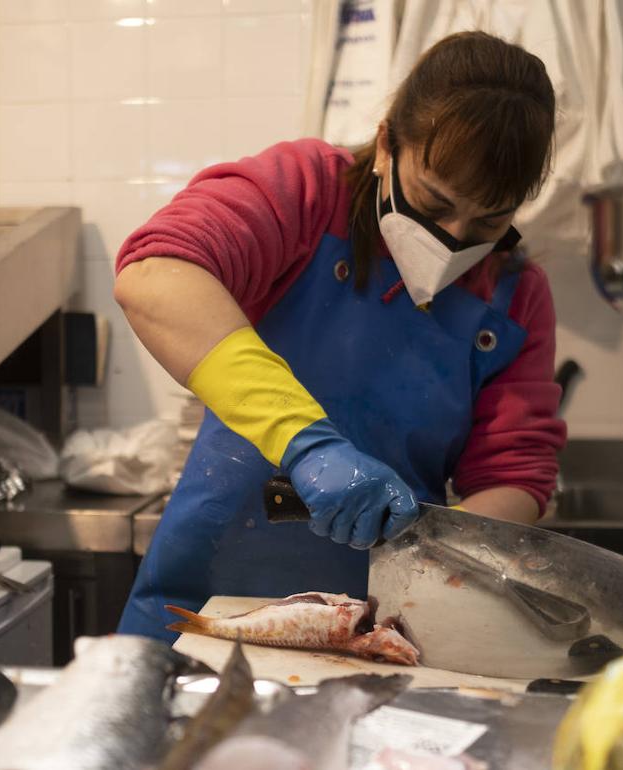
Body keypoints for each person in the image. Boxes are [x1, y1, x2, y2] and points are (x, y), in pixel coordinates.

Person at [114, 31, 565, 640]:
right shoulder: (304, 194)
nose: (455, 238)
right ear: (386, 144)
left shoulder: (515, 297)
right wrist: (307, 446)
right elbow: (154, 278)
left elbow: (515, 475)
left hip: (384, 630)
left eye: (489, 220)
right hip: (201, 612)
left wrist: (431, 550)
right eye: (434, 205)